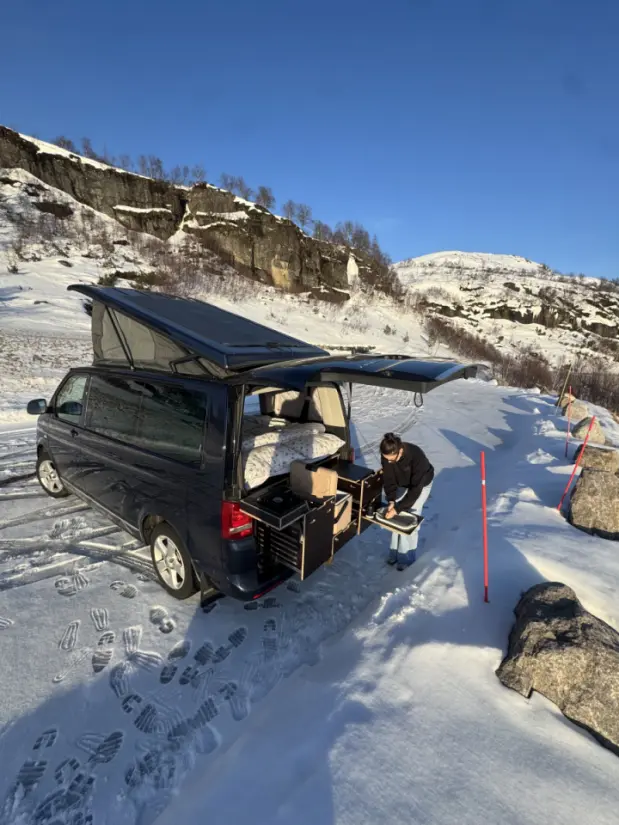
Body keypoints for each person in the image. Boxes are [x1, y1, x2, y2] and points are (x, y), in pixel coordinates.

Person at [380, 432, 434, 570]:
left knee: (409, 519)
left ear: (400, 451)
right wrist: (391, 500)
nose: (389, 462)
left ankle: (406, 559)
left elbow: (415, 491)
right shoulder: (387, 454)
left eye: (392, 460)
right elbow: (389, 479)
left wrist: (398, 508)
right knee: (395, 518)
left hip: (421, 485)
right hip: (402, 484)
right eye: (386, 459)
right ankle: (394, 554)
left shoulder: (416, 456)